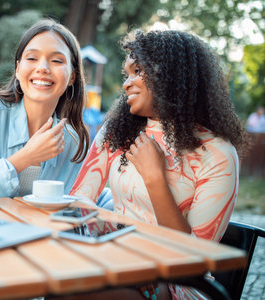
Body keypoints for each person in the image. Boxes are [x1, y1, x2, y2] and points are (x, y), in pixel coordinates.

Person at [70, 29, 250, 299]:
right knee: (62, 279)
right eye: (126, 74)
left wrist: (155, 178)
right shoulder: (116, 131)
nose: (126, 83)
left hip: (181, 282)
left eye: (137, 71)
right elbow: (79, 199)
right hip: (118, 258)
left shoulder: (218, 154)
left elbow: (193, 257)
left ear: (172, 75)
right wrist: (94, 239)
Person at [0, 19, 90, 198]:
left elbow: (78, 203)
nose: (42, 68)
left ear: (72, 76)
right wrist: (25, 157)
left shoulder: (72, 143)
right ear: (18, 68)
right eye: (32, 58)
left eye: (57, 60)